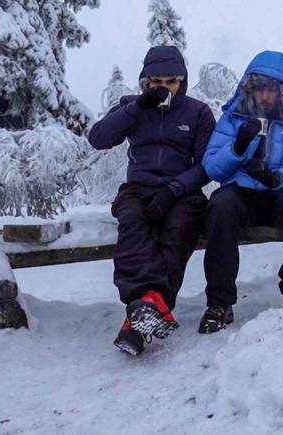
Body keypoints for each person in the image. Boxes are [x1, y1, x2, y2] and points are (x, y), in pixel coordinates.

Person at [87, 46, 216, 355]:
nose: (163, 88)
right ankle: (149, 304)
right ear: (145, 82)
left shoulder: (198, 112)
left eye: (171, 81)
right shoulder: (131, 106)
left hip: (182, 190)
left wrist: (174, 189)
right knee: (132, 226)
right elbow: (98, 138)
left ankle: (142, 314)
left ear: (181, 82)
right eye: (155, 82)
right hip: (139, 187)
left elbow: (207, 165)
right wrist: (137, 106)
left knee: (178, 231)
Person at [197, 51, 283, 334]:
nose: (266, 96)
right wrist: (238, 148)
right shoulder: (231, 120)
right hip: (242, 194)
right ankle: (219, 302)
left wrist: (277, 176)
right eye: (260, 89)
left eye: (272, 90)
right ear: (249, 89)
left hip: (281, 194)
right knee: (220, 207)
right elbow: (213, 169)